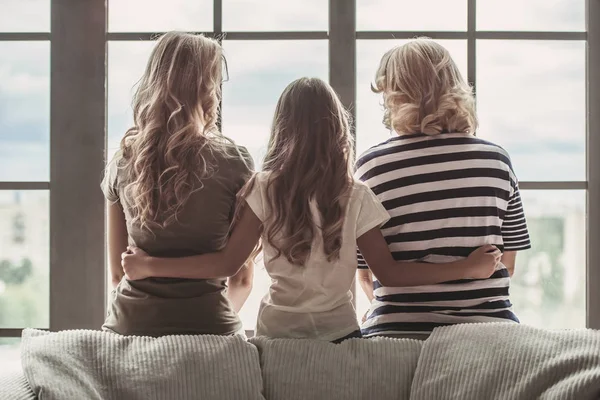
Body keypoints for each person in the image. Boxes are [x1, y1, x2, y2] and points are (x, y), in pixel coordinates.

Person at [119, 77, 502, 343]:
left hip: (276, 335)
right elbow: (390, 275)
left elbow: (227, 264)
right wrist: (469, 267)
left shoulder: (264, 187)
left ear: (282, 128)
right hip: (341, 333)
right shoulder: (355, 194)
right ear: (337, 128)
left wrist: (149, 265)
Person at [355, 38, 531, 339]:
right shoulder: (497, 161)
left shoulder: (370, 168)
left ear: (394, 96)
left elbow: (366, 274)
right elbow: (507, 264)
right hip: (488, 331)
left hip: (397, 333)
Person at [102, 31, 254, 337]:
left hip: (131, 328)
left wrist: (148, 267)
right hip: (210, 327)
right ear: (207, 89)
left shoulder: (123, 161)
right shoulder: (235, 163)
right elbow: (240, 278)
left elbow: (119, 273)